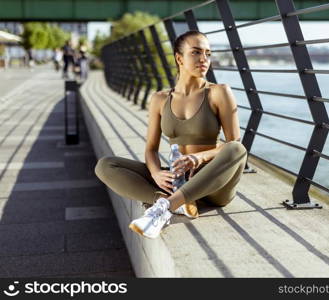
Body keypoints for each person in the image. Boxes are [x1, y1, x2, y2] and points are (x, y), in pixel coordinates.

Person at [94, 30, 247, 239]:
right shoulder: (159, 99)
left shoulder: (218, 92)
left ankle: (167, 206)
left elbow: (233, 143)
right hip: (180, 180)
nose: (204, 59)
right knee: (105, 165)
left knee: (238, 149)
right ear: (179, 58)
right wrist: (157, 173)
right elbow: (150, 149)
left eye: (208, 53)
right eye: (196, 52)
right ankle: (173, 201)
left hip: (214, 185)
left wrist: (198, 157)